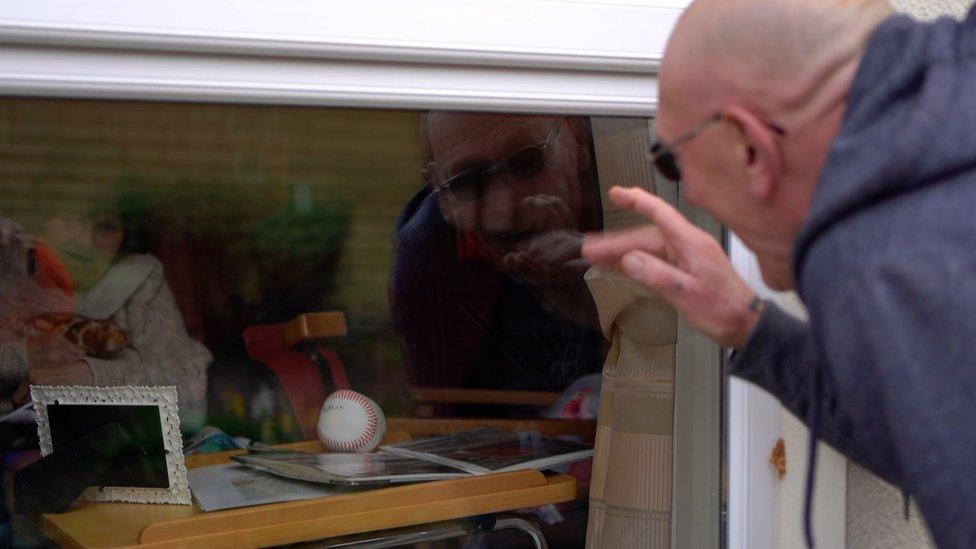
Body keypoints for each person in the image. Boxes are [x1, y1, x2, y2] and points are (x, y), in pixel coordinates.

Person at [583, 0, 976, 546]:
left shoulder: (885, 266)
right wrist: (753, 332)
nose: (687, 192)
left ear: (750, 149)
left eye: (670, 159)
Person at [390, 113, 607, 407]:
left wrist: (604, 295)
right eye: (468, 182)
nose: (506, 206)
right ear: (439, 194)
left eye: (528, 162)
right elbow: (447, 421)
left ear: (578, 141)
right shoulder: (430, 259)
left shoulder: (633, 195)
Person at [0, 207, 210, 433]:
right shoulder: (7, 263)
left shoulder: (137, 279)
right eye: (72, 217)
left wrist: (90, 375)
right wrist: (21, 357)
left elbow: (192, 392)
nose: (85, 241)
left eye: (106, 227)